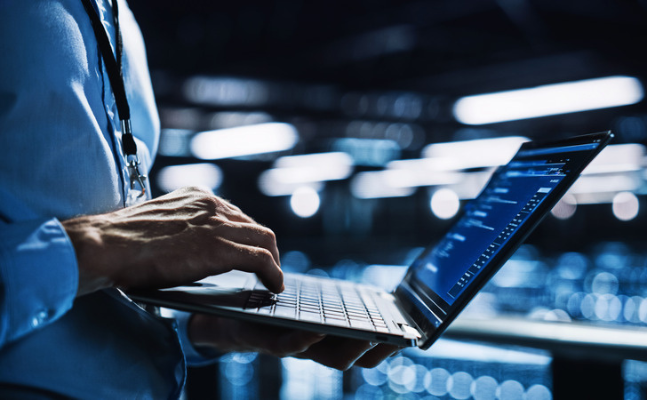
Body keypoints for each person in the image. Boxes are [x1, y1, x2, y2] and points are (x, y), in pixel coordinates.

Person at [0, 0, 399, 398]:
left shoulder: (121, 20)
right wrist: (102, 243)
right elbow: (109, 252)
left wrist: (214, 327)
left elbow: (96, 303)